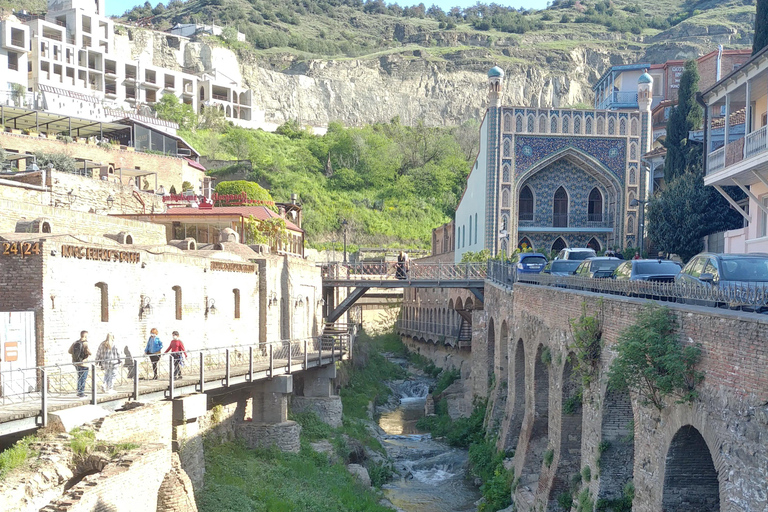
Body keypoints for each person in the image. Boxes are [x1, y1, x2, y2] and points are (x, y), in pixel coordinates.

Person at [68, 331, 91, 397]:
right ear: (85, 336)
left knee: (79, 377)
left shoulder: (75, 342)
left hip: (76, 362)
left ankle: (79, 391)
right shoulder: (85, 343)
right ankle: (81, 392)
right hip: (83, 363)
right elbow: (89, 352)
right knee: (83, 378)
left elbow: (69, 351)